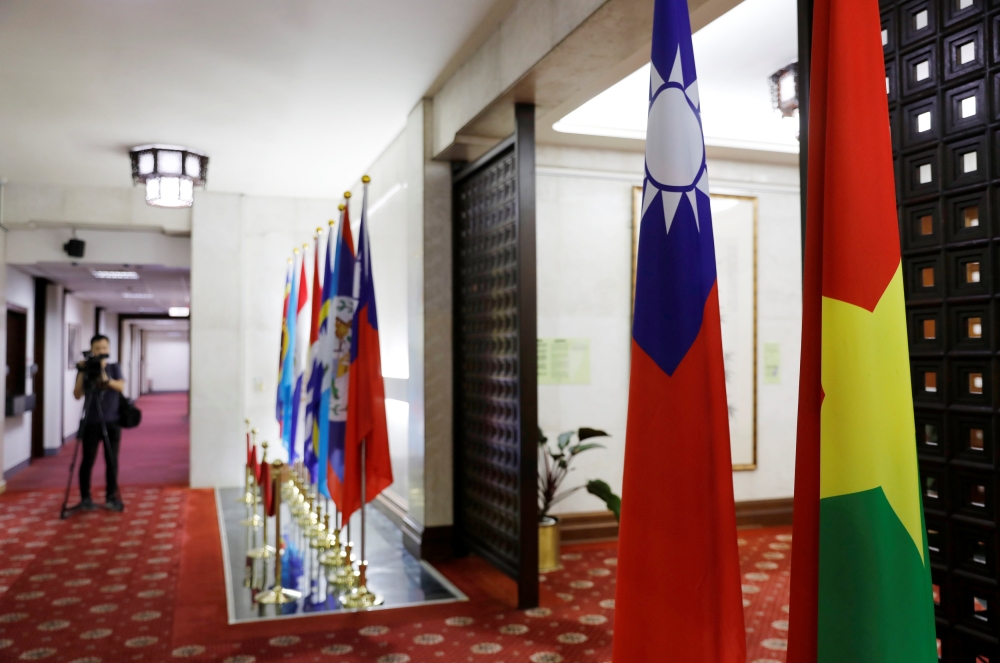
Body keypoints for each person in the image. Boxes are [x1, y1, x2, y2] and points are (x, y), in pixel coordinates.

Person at [73, 334, 125, 510]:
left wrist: (105, 375)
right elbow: (77, 394)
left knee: (111, 460)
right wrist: (81, 372)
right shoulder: (86, 369)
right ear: (91, 350)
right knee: (88, 460)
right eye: (97, 348)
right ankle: (85, 497)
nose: (101, 351)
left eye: (104, 348)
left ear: (109, 349)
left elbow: (120, 387)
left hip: (113, 421)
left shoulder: (114, 367)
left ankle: (111, 496)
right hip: (91, 421)